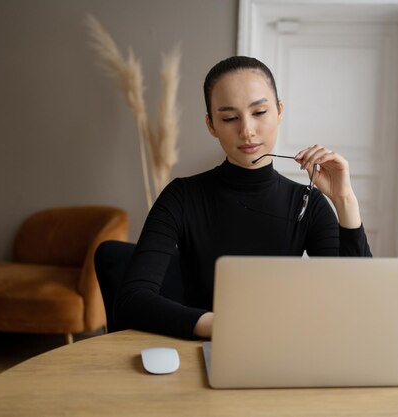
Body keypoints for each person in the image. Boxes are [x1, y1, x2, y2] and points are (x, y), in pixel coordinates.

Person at [113, 56, 371, 339]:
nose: (247, 130)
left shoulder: (307, 203)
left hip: (285, 349)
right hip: (204, 352)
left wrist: (344, 200)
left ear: (279, 111)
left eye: (259, 112)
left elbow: (354, 304)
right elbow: (132, 301)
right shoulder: (181, 197)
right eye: (230, 118)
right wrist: (225, 327)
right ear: (211, 125)